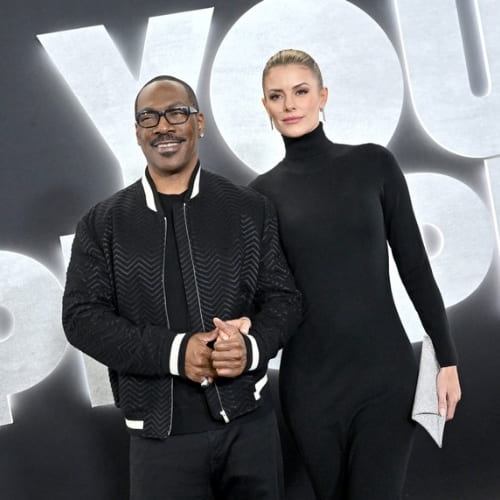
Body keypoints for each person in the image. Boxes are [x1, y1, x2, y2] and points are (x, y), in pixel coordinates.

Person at [62, 75, 302, 500]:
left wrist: (252, 349)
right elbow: (81, 319)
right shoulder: (102, 224)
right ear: (137, 133)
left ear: (199, 123)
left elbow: (283, 299)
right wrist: (176, 353)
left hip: (249, 428)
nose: (163, 126)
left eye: (176, 113)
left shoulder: (249, 209)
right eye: (148, 118)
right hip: (158, 441)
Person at [250, 49, 462, 500]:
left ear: (322, 95)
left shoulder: (373, 164)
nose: (290, 104)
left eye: (301, 91)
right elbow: (267, 299)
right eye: (277, 95)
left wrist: (447, 359)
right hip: (308, 389)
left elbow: (416, 268)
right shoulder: (259, 196)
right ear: (265, 106)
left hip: (385, 378)